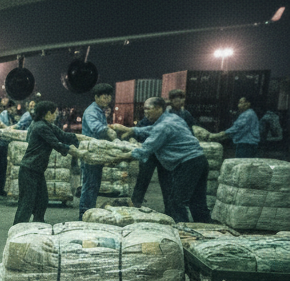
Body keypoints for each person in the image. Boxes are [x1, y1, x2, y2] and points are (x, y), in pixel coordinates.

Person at [119, 96, 211, 222]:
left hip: (188, 164)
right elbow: (151, 129)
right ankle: (206, 231)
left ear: (158, 108)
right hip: (200, 160)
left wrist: (117, 157)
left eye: (147, 109)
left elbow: (145, 150)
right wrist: (132, 130)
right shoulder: (172, 118)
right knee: (197, 202)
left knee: (175, 202)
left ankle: (182, 231)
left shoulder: (163, 126)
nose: (145, 112)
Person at [13, 101, 84, 225]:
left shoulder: (46, 125)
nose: (56, 115)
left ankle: (38, 224)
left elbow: (62, 135)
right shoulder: (40, 127)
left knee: (42, 200)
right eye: (54, 113)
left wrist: (82, 139)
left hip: (37, 169)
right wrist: (81, 154)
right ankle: (17, 229)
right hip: (29, 169)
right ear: (47, 114)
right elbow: (56, 144)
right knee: (27, 203)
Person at [78, 83, 129, 219]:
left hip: (97, 153)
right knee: (89, 185)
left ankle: (88, 212)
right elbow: (97, 128)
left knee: (94, 185)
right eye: (104, 97)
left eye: (108, 97)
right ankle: (84, 214)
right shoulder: (91, 112)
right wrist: (110, 132)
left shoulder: (100, 111)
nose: (107, 100)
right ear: (96, 97)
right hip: (90, 153)